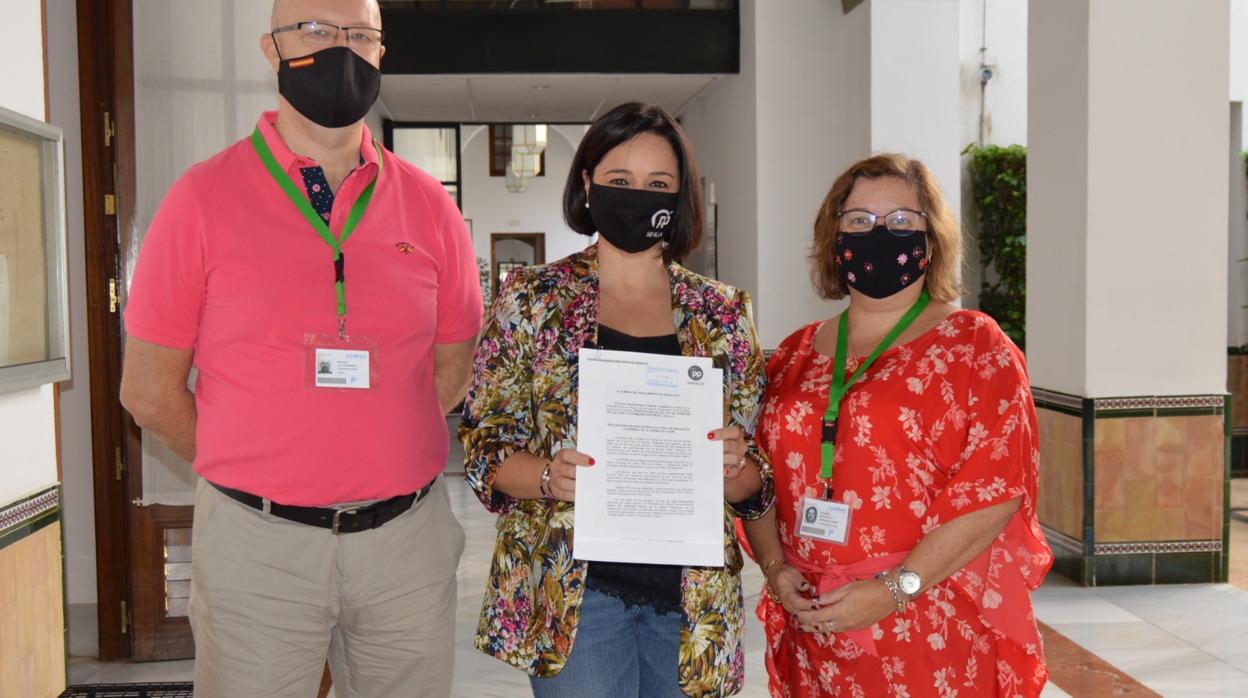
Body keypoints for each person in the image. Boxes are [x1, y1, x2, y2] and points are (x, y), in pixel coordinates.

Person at [118, 0, 482, 695]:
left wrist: (368, 443)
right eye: (315, 30)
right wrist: (260, 462)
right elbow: (149, 390)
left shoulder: (430, 206)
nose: (340, 48)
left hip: (405, 545)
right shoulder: (201, 199)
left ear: (380, 52)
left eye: (360, 35)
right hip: (258, 550)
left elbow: (452, 363)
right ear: (271, 48)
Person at [460, 102, 774, 698]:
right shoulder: (533, 298)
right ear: (587, 184)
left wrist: (736, 466)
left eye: (658, 185)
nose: (638, 198)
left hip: (691, 601)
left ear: (681, 197)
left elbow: (756, 478)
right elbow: (483, 442)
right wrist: (550, 475)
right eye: (620, 182)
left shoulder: (724, 312)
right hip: (578, 597)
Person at [743, 154, 1053, 697]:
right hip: (814, 623)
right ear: (834, 237)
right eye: (858, 220)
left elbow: (996, 487)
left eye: (901, 220)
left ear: (930, 241)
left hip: (928, 619)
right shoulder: (793, 353)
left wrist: (895, 588)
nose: (878, 233)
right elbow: (760, 478)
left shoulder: (976, 346)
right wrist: (774, 568)